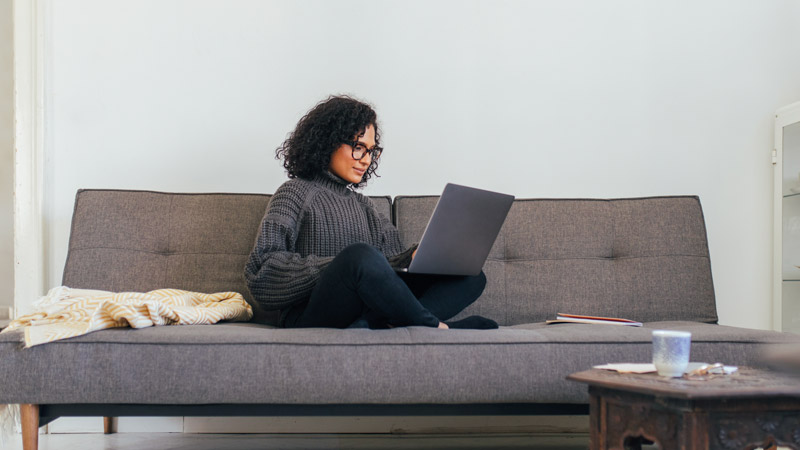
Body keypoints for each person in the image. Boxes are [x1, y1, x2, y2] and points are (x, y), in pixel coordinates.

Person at [245, 95, 498, 330]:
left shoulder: (366, 207)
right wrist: (341, 266)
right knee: (360, 256)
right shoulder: (294, 193)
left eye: (371, 150)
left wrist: (414, 258)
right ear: (327, 143)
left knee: (470, 275)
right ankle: (434, 327)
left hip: (369, 310)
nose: (365, 160)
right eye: (358, 146)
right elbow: (263, 274)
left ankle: (395, 324)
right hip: (311, 315)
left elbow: (389, 276)